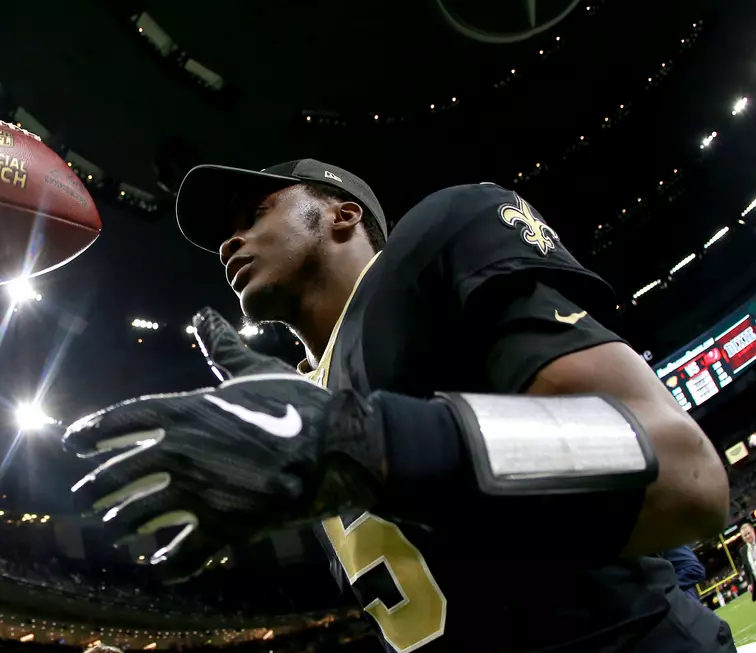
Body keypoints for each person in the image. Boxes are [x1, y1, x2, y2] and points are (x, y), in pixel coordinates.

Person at [65, 160, 732, 652]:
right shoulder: (297, 400)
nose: (229, 243)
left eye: (256, 213)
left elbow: (684, 472)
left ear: (342, 212)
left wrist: (371, 442)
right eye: (225, 234)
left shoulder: (436, 240)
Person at [737, 523, 756, 600]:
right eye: (745, 535)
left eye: (748, 533)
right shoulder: (743, 551)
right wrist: (749, 584)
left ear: (753, 530)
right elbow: (747, 569)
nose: (748, 536)